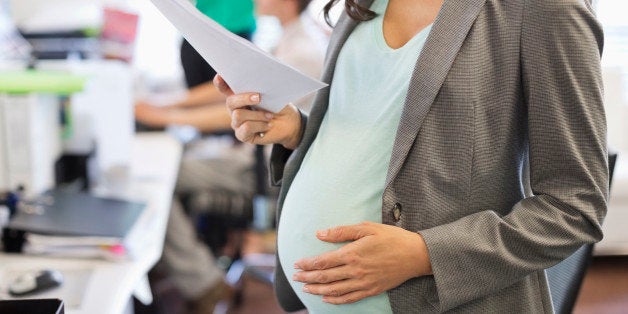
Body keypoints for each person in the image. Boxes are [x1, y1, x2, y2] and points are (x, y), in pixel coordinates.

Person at [215, 0, 608, 312]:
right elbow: (383, 136)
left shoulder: (544, 7)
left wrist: (425, 255)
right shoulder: (361, 4)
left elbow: (576, 205)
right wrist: (297, 131)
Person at [135, 1, 326, 313]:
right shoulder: (291, 38)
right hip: (252, 156)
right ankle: (196, 274)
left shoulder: (301, 51)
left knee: (156, 178)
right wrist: (168, 103)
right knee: (171, 161)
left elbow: (238, 114)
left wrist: (163, 116)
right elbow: (236, 91)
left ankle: (203, 283)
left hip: (268, 167)